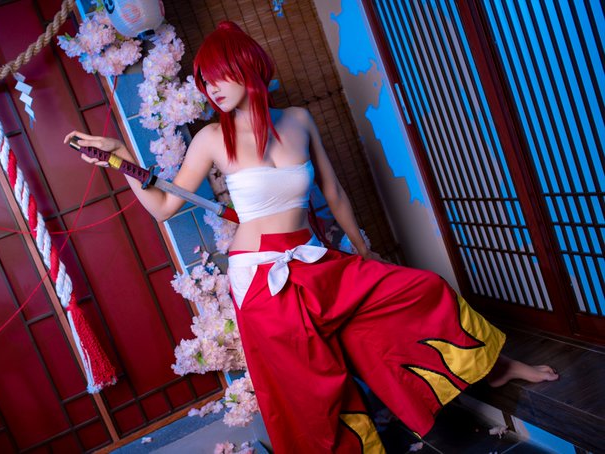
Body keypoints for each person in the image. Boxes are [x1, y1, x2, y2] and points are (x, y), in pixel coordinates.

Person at [65, 21, 558, 454]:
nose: (211, 89)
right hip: (262, 282)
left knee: (422, 291)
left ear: (247, 68)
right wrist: (119, 155)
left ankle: (496, 368)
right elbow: (163, 206)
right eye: (204, 81)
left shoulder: (298, 119)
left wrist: (364, 252)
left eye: (219, 75)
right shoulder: (211, 139)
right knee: (310, 390)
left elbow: (334, 192)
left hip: (314, 261)